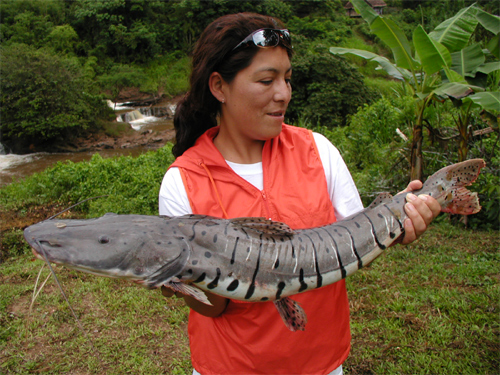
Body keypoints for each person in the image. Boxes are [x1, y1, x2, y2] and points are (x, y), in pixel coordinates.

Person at [158, 12, 440, 375]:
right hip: (228, 366)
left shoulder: (317, 150)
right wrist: (180, 280)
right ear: (219, 87)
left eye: (287, 79)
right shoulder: (184, 182)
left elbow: (353, 239)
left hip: (321, 365)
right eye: (266, 80)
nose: (283, 94)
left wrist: (397, 223)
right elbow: (214, 307)